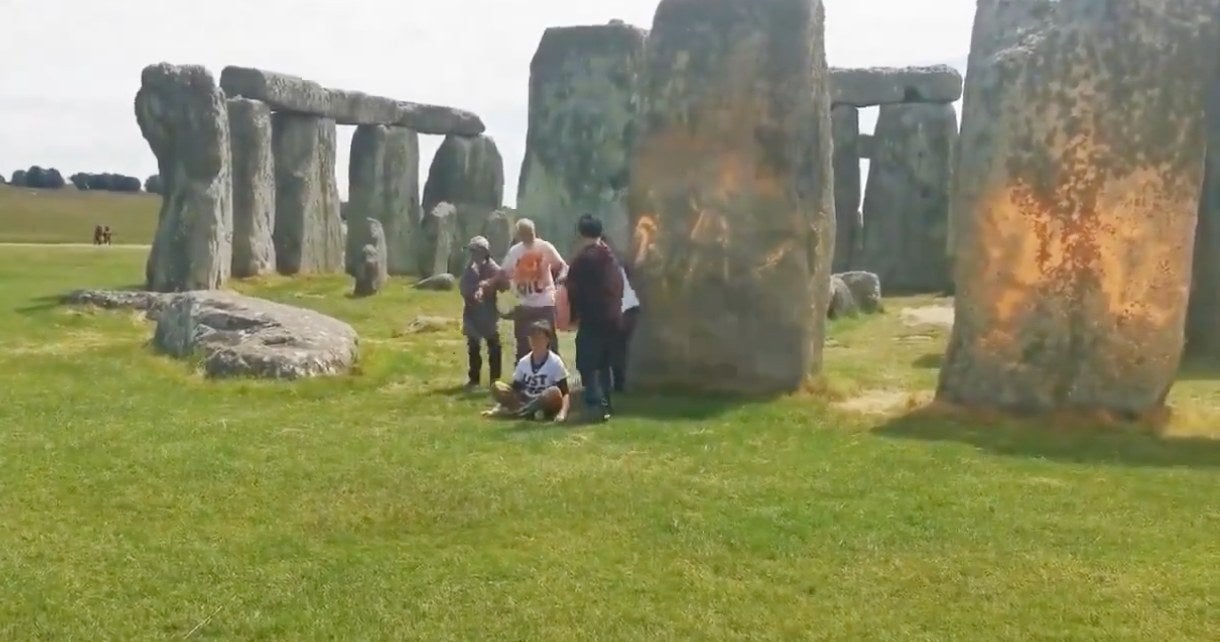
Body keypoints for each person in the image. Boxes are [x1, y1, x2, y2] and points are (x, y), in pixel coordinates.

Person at [481, 218, 567, 361]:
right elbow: (503, 272)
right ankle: (522, 376)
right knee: (523, 342)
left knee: (549, 341)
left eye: (531, 233)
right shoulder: (515, 251)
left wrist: (562, 278)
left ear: (534, 232)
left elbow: (561, 265)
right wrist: (490, 283)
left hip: (545, 302)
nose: (529, 236)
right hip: (523, 304)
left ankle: (554, 375)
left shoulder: (545, 247)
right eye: (525, 233)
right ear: (519, 235)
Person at [565, 214, 623, 422]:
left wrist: (572, 316)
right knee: (605, 365)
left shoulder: (582, 260)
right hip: (612, 318)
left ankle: (594, 402)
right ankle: (606, 404)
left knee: (587, 362)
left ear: (581, 234)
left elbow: (573, 289)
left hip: (592, 319)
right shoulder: (611, 257)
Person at [484, 320, 571, 422]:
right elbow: (515, 388)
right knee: (497, 386)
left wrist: (562, 413)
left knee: (553, 392)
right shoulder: (524, 361)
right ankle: (526, 412)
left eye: (539, 338)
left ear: (547, 340)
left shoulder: (555, 362)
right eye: (532, 338)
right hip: (525, 400)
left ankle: (524, 412)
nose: (535, 341)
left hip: (544, 400)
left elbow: (565, 392)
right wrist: (496, 409)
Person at [459, 236, 502, 390]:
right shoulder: (469, 268)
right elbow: (463, 287)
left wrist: (487, 286)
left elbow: (503, 283)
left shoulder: (493, 268)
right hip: (472, 313)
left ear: (484, 252)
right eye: (472, 251)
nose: (473, 255)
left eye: (476, 251)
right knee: (474, 348)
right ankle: (474, 379)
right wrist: (473, 292)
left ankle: (495, 380)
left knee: (494, 347)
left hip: (489, 314)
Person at [612, 261, 640, 394]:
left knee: (618, 348)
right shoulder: (615, 266)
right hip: (629, 308)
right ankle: (619, 382)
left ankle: (619, 384)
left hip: (625, 310)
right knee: (619, 348)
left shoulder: (612, 268)